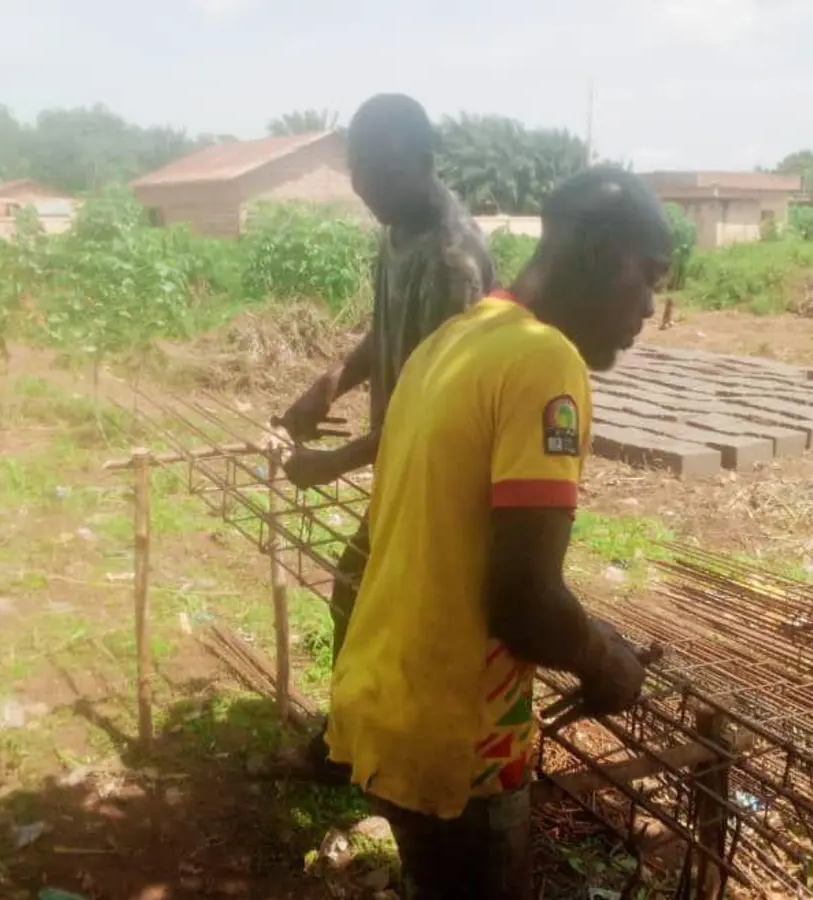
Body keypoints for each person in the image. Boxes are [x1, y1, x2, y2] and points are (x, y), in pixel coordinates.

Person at [324, 166, 672, 899]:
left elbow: (448, 542)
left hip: (386, 703)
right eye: (648, 277)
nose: (649, 306)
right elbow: (523, 601)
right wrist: (605, 662)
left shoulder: (454, 340)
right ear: (600, 254)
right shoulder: (545, 361)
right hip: (458, 743)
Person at [273, 93, 493, 778]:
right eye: (359, 179)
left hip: (443, 472)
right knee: (365, 596)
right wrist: (331, 382)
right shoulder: (396, 230)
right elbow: (384, 333)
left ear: (424, 165)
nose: (368, 194)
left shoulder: (455, 264)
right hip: (400, 463)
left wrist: (335, 460)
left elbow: (439, 410)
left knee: (393, 606)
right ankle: (361, 734)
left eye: (381, 178)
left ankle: (387, 747)